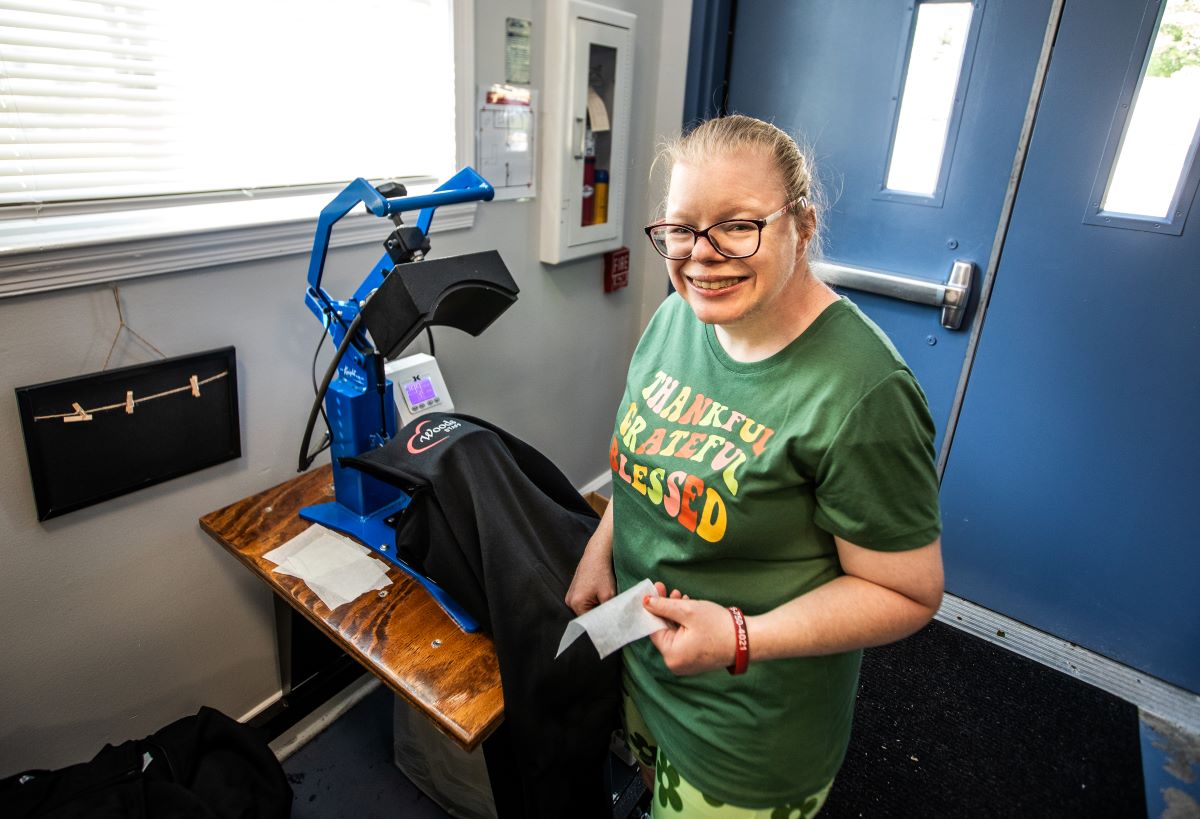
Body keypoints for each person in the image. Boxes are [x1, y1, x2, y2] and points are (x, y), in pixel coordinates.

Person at [565, 114, 944, 818]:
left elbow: (910, 592)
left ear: (802, 222)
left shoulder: (862, 391)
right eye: (680, 229)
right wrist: (601, 547)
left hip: (748, 729)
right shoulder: (682, 314)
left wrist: (741, 636)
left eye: (738, 225)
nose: (701, 256)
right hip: (649, 669)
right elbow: (650, 458)